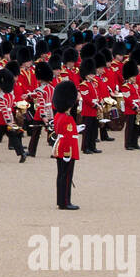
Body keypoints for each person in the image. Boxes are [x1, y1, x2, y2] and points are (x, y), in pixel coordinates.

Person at [50, 79, 80, 210]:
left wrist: (77, 129)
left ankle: (61, 200)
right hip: (66, 149)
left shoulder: (59, 115)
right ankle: (65, 202)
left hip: (61, 147)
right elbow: (67, 136)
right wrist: (68, 153)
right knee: (66, 176)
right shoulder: (67, 117)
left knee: (61, 175)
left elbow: (64, 131)